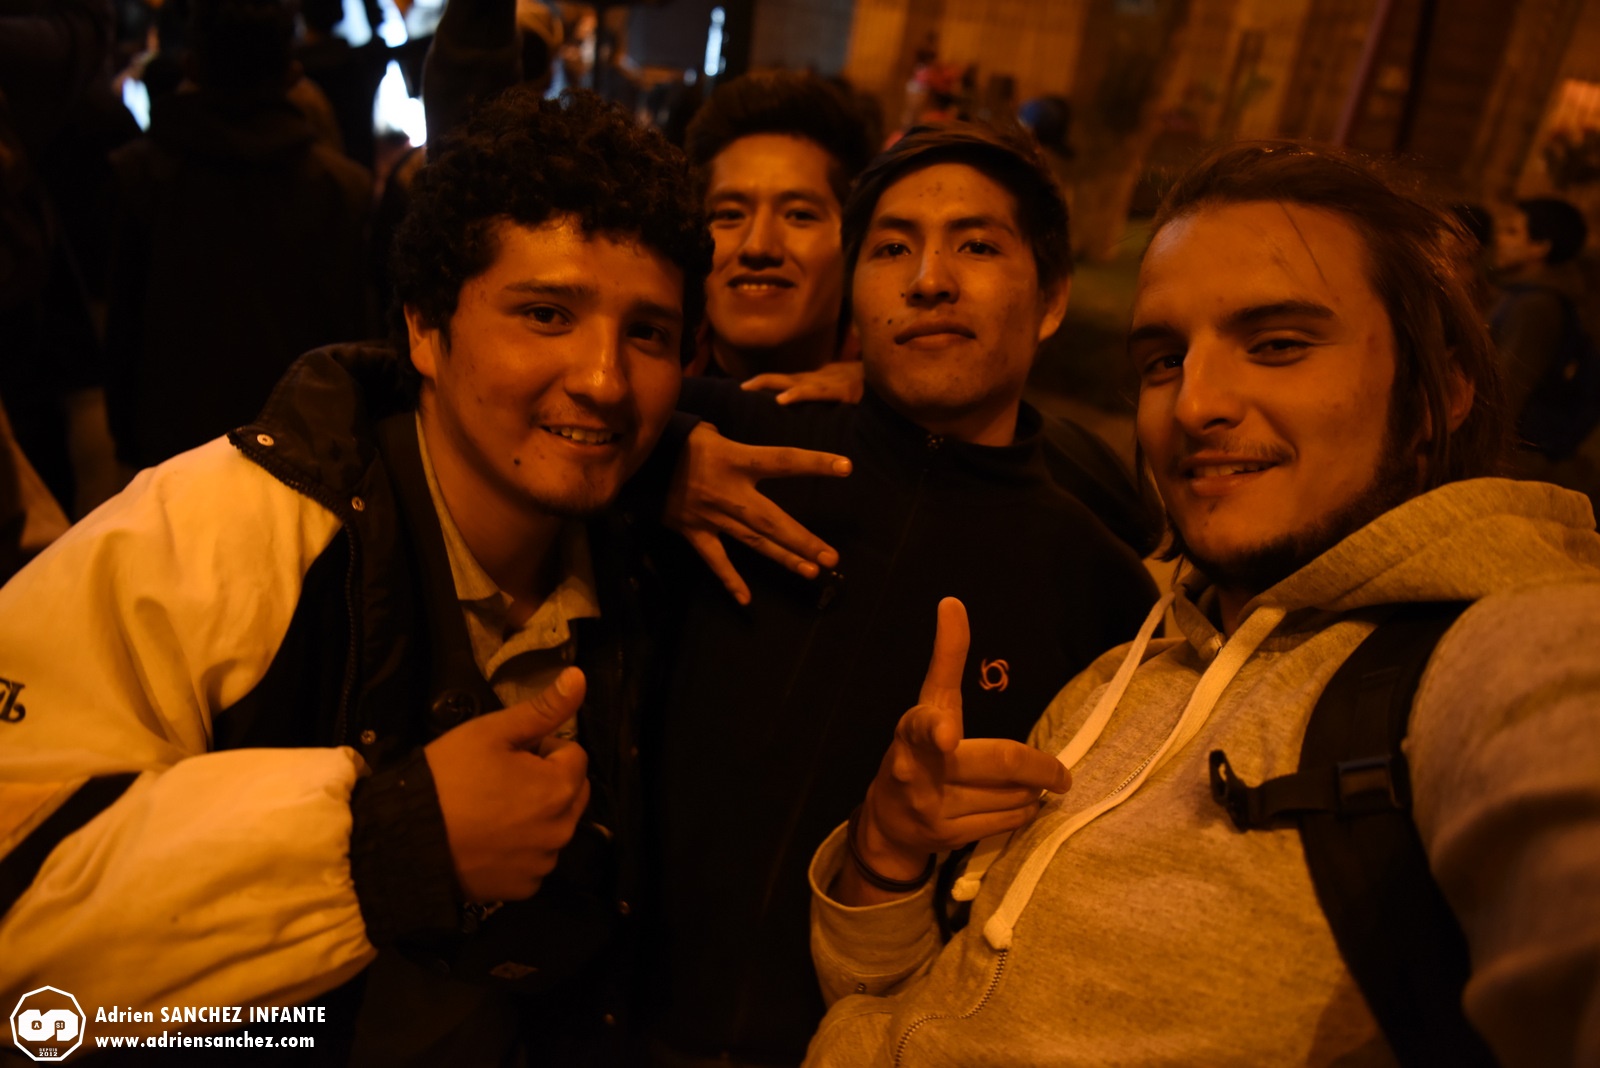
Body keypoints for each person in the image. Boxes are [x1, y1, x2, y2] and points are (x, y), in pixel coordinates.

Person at [804, 141, 1600, 1067]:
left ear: (1439, 392)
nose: (1194, 405)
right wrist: (886, 855)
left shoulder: (1490, 655)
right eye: (1163, 359)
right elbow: (925, 1010)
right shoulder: (1113, 683)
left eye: (1278, 345)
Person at [0, 87, 712, 1065]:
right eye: (546, 314)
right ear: (423, 326)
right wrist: (391, 848)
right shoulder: (224, 532)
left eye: (648, 334)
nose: (603, 378)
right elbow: (20, 940)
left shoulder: (645, 562)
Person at [643, 121, 1160, 1067]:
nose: (929, 280)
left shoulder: (1100, 590)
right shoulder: (734, 448)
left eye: (977, 245)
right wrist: (652, 465)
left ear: (1050, 298)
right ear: (855, 292)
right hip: (603, 1025)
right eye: (891, 249)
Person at [103, 0, 373, 470]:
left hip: (175, 447)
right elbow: (354, 335)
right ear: (292, 73)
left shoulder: (139, 176)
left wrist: (127, 441)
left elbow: (123, 327)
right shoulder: (342, 189)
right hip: (303, 443)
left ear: (191, 65)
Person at [681, 69, 875, 380]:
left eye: (799, 215)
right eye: (730, 215)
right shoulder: (637, 391)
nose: (758, 247)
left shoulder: (905, 400)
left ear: (856, 245)